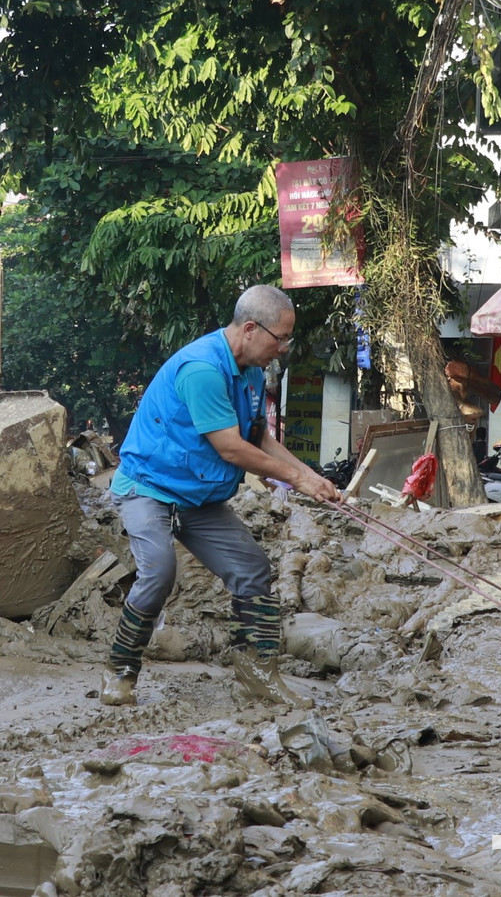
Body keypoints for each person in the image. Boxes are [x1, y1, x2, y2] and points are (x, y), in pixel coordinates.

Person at [101, 285, 341, 708]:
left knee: (252, 569)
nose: (283, 349)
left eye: (288, 339)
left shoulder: (248, 371)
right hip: (149, 487)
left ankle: (257, 677)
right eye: (280, 338)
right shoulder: (203, 369)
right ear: (250, 329)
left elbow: (257, 438)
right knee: (158, 571)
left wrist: (308, 476)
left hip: (197, 495)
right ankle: (120, 671)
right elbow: (230, 448)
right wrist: (295, 479)